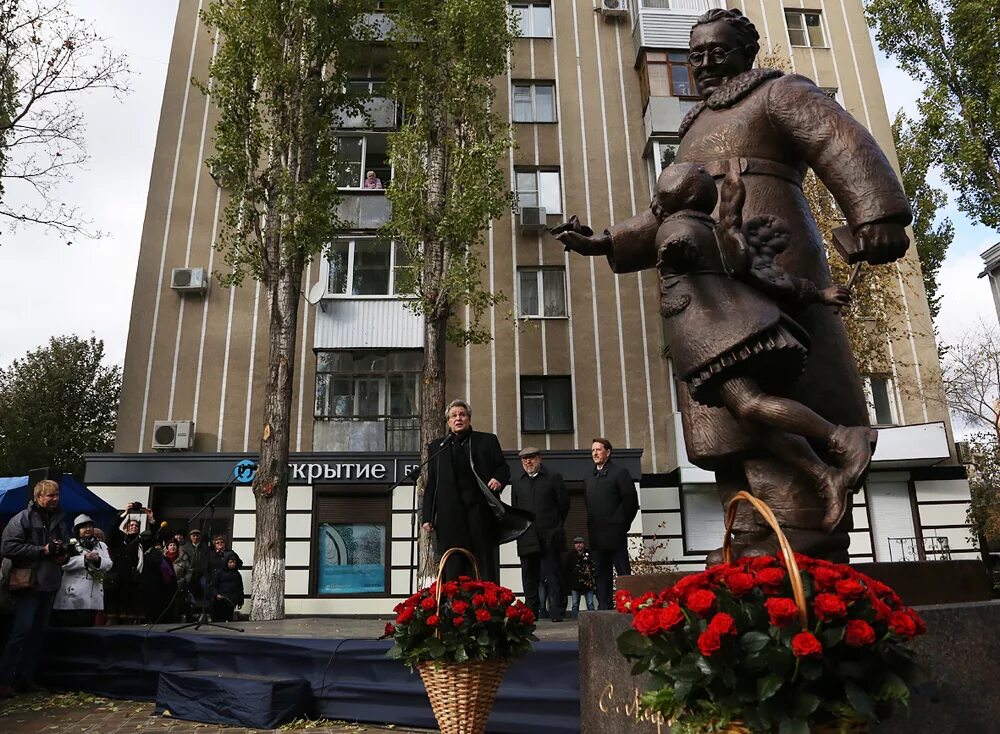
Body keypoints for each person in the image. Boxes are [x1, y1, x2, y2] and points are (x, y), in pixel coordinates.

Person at [556, 7, 912, 562]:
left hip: (772, 246)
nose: (703, 64)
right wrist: (605, 240)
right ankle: (748, 515)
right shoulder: (693, 124)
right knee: (722, 403)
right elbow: (670, 209)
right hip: (707, 283)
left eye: (716, 51)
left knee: (785, 377)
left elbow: (839, 140)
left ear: (746, 52)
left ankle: (802, 517)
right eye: (695, 55)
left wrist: (876, 212)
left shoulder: (778, 93)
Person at [649, 162, 875, 530]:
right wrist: (599, 242)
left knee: (749, 404)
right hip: (709, 342)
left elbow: (758, 274)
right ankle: (824, 476)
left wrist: (817, 293)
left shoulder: (699, 231)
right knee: (752, 418)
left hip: (731, 335)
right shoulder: (698, 226)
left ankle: (841, 438)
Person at [422, 399, 511, 582]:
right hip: (449, 515)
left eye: (462, 414)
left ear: (469, 419)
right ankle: (454, 604)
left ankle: (485, 604)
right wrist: (427, 517)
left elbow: (503, 468)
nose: (458, 418)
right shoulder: (437, 447)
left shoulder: (487, 441)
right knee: (453, 562)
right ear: (448, 422)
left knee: (482, 560)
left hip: (479, 511)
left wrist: (498, 479)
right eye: (453, 416)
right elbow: (432, 483)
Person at [0, 479, 69, 697]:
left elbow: (65, 544)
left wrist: (63, 554)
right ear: (38, 496)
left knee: (37, 634)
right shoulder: (23, 518)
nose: (55, 498)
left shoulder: (60, 519)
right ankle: (5, 680)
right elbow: (8, 547)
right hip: (28, 584)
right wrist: (42, 550)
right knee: (21, 632)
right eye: (50, 495)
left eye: (57, 494)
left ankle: (25, 679)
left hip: (49, 583)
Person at [511, 447, 569, 622]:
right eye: (524, 459)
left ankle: (556, 612)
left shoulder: (553, 477)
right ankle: (531, 611)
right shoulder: (517, 482)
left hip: (549, 535)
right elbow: (516, 510)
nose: (528, 462)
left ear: (539, 459)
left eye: (531, 458)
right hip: (527, 536)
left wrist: (555, 528)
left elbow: (564, 505)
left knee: (553, 575)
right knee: (529, 575)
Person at [584, 438, 638, 610]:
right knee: (600, 573)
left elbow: (630, 503)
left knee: (623, 572)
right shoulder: (588, 477)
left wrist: (622, 524)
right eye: (593, 450)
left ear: (608, 452)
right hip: (597, 536)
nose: (595, 453)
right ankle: (604, 606)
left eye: (598, 450)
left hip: (615, 533)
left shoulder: (620, 473)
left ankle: (627, 605)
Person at [52, 514, 111, 627]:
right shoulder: (70, 545)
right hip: (73, 596)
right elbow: (64, 564)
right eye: (84, 527)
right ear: (77, 530)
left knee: (87, 632)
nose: (88, 529)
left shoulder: (101, 545)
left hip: (93, 596)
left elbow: (108, 564)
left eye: (90, 526)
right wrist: (84, 559)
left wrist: (98, 559)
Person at [106, 507, 153, 624]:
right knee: (112, 619)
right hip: (116, 583)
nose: (133, 527)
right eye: (131, 525)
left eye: (136, 526)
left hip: (132, 583)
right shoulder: (118, 539)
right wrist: (125, 513)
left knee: (128, 620)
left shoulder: (140, 542)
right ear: (126, 528)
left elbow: (154, 537)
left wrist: (151, 519)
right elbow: (112, 530)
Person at [180, 527, 210, 611]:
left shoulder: (205, 547)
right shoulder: (185, 547)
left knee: (206, 587)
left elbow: (207, 560)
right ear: (190, 537)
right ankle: (190, 609)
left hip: (202, 572)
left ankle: (206, 608)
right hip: (190, 573)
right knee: (189, 590)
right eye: (194, 536)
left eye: (197, 536)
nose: (195, 537)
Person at [209, 552, 244, 622]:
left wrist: (240, 601)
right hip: (220, 600)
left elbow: (240, 588)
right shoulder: (219, 573)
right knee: (218, 620)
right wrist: (216, 594)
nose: (232, 564)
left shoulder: (237, 574)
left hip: (231, 601)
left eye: (234, 562)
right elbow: (213, 586)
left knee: (229, 619)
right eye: (230, 562)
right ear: (226, 562)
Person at [567, 537, 596, 617]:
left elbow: (593, 566)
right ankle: (574, 621)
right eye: (576, 543)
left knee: (590, 603)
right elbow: (568, 569)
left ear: (583, 544)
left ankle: (592, 619)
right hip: (575, 583)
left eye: (580, 543)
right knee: (575, 604)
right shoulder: (571, 555)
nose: (578, 545)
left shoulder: (589, 554)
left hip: (588, 583)